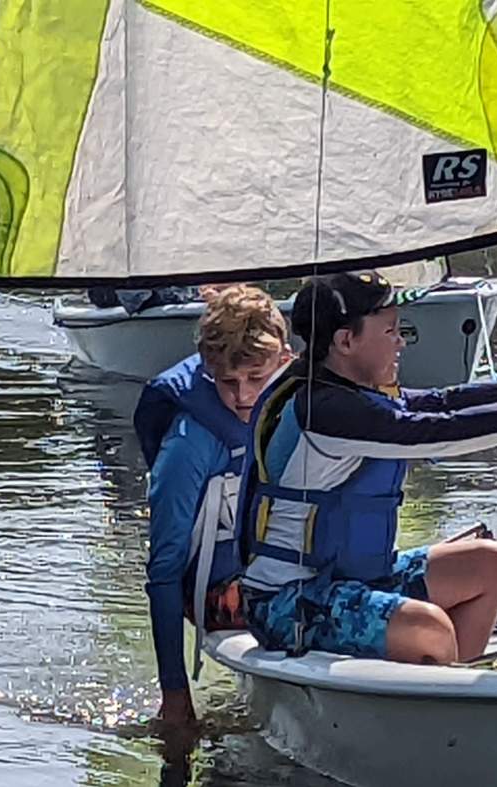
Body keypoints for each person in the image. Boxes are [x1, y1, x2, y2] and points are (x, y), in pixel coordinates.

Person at [240, 271, 497, 665]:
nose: (401, 341)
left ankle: (454, 685)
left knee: (489, 564)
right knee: (429, 626)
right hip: (287, 601)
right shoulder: (322, 411)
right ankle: (448, 707)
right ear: (345, 341)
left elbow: (442, 402)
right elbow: (438, 431)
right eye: (390, 331)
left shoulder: (355, 394)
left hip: (357, 577)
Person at [132, 285, 292, 736]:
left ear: (283, 361)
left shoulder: (294, 405)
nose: (243, 397)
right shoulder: (189, 444)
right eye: (228, 382)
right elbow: (163, 572)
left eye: (256, 380)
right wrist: (175, 694)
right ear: (208, 370)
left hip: (272, 569)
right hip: (214, 589)